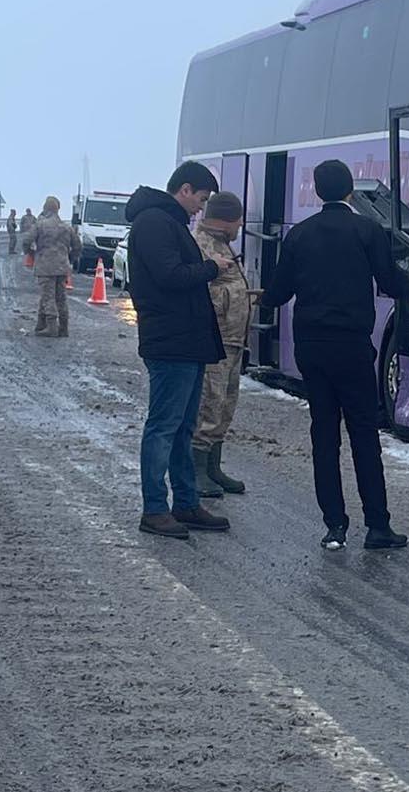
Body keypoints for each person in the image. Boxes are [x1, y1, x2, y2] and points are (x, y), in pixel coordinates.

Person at [262, 159, 409, 551]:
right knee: (363, 435)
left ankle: (334, 526)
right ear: (350, 192)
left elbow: (279, 292)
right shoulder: (366, 230)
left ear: (317, 191)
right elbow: (391, 281)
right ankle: (378, 526)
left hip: (311, 348)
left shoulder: (299, 235)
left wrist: (260, 296)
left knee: (324, 436)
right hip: (352, 346)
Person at [125, 163, 231, 539]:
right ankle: (154, 509)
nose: (201, 208)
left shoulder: (168, 222)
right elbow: (169, 276)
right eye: (201, 199)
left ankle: (185, 503)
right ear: (185, 189)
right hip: (170, 340)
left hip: (185, 341)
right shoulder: (154, 223)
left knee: (182, 427)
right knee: (164, 427)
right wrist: (211, 268)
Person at [193, 191, 254, 498]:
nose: (241, 225)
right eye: (238, 220)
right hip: (215, 341)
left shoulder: (223, 244)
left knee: (225, 405)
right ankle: (197, 470)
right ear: (226, 219)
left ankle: (213, 466)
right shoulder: (202, 245)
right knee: (209, 403)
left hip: (233, 340)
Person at [27, 197, 80, 337]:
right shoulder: (66, 227)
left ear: (45, 208)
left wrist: (32, 253)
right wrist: (69, 258)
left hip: (45, 266)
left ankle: (51, 327)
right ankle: (63, 327)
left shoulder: (40, 225)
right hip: (62, 266)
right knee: (61, 297)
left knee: (47, 296)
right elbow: (77, 246)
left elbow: (27, 240)